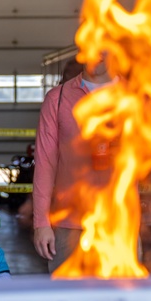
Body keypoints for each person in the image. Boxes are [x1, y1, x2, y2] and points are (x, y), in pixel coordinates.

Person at [32, 57, 114, 272]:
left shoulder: (132, 98)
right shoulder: (57, 99)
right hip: (68, 225)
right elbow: (44, 164)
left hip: (119, 222)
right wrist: (41, 223)